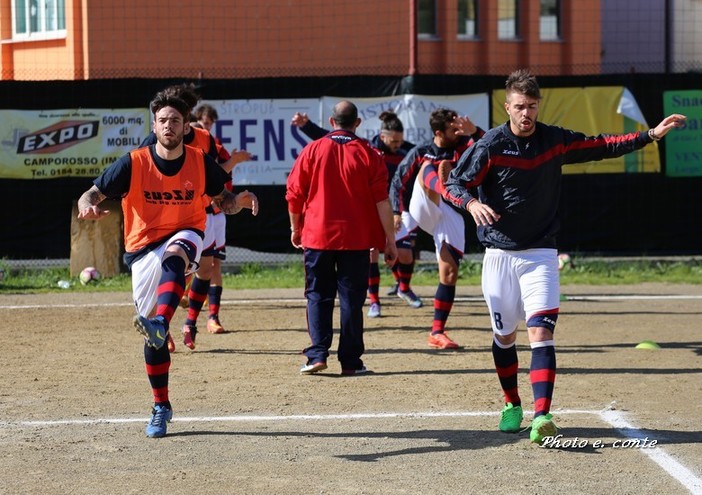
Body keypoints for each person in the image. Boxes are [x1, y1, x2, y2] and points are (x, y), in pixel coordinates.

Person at [443, 68, 687, 444]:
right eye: (520, 107)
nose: (526, 114)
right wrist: (472, 203)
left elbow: (603, 144)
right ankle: (512, 404)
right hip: (499, 256)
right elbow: (453, 184)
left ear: (539, 107)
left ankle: (542, 416)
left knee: (540, 332)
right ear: (507, 107)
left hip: (541, 253)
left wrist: (650, 135)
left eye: (532, 106)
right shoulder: (490, 144)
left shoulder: (554, 141)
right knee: (505, 337)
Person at [77, 91, 259, 438]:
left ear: (184, 124)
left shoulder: (199, 160)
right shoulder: (133, 162)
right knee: (153, 341)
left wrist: (242, 199)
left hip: (186, 232)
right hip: (142, 248)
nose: (169, 126)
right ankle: (161, 404)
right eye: (163, 120)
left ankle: (163, 321)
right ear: (155, 125)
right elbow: (92, 193)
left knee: (178, 253)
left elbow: (225, 202)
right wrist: (87, 206)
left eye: (175, 120)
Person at [286, 100, 398, 375]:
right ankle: (350, 362)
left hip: (317, 235)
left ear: (332, 122)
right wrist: (390, 240)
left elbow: (294, 195)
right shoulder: (370, 154)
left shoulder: (312, 150)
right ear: (357, 123)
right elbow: (382, 202)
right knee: (351, 301)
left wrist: (295, 228)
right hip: (356, 239)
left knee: (318, 296)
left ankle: (317, 355)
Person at [141, 85, 251, 351]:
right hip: (164, 217)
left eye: (180, 116)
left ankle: (191, 322)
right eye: (166, 118)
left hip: (199, 216)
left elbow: (215, 177)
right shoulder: (152, 142)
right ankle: (162, 324)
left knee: (207, 268)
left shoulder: (205, 139)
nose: (174, 123)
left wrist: (233, 200)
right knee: (165, 273)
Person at [290, 110, 419, 318]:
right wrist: (306, 126)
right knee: (372, 256)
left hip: (396, 207)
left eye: (399, 141)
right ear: (383, 136)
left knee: (404, 253)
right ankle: (375, 301)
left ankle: (403, 287)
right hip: (373, 208)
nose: (397, 144)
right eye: (393, 140)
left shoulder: (408, 151)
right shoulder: (369, 149)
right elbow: (332, 137)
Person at [390, 108, 484, 349]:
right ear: (439, 133)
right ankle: (444, 186)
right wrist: (395, 212)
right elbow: (398, 181)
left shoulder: (466, 144)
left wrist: (476, 132)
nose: (459, 131)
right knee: (427, 167)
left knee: (449, 274)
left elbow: (492, 148)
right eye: (454, 129)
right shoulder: (421, 151)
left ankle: (437, 332)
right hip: (422, 204)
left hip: (450, 211)